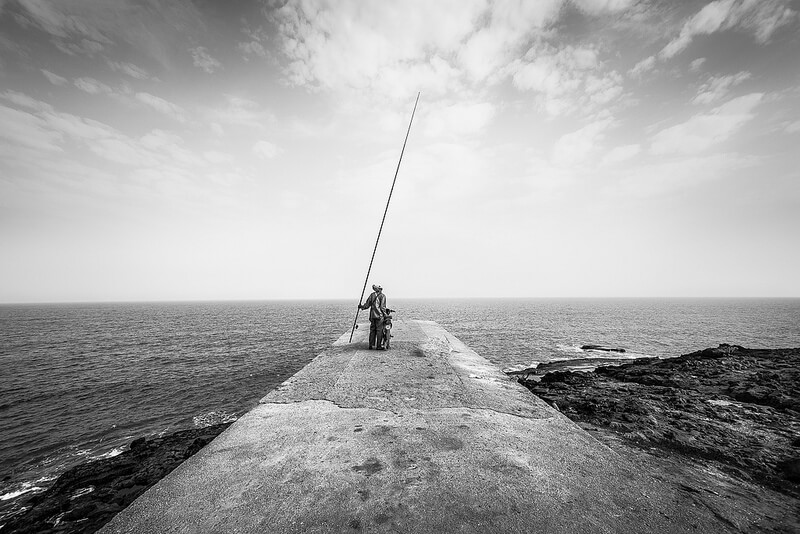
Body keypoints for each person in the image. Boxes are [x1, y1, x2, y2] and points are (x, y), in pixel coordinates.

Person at [359, 284, 387, 350]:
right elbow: (382, 307)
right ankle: (378, 346)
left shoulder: (372, 295)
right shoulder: (382, 296)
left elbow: (367, 305)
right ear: (379, 289)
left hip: (372, 316)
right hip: (379, 316)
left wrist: (362, 307)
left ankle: (371, 345)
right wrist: (385, 315)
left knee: (372, 331)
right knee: (379, 331)